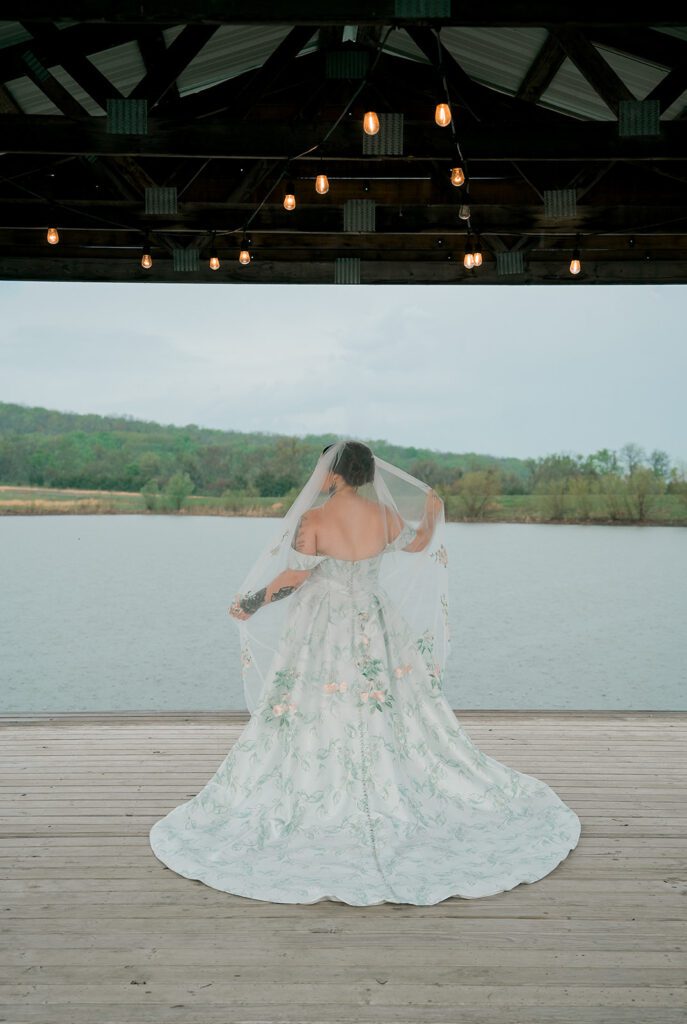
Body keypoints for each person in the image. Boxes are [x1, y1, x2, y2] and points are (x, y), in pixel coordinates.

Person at [149, 439, 581, 905]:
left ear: (332, 474)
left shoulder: (313, 520)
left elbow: (294, 578)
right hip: (376, 621)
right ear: (367, 474)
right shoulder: (386, 516)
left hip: (324, 625)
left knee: (316, 700)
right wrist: (433, 513)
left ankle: (326, 778)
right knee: (387, 698)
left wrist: (249, 603)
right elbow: (416, 543)